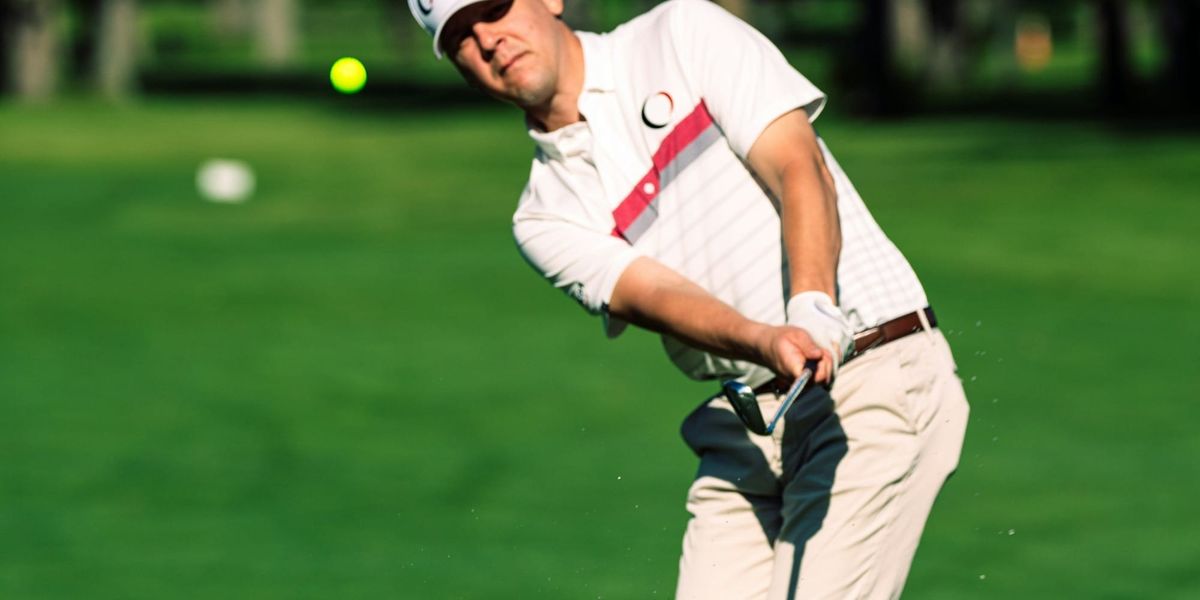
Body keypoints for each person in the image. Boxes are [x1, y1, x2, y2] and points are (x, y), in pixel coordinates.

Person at [407, 0, 970, 597]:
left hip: (869, 373)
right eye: (462, 36)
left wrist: (811, 304)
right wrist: (765, 338)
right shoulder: (544, 214)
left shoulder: (680, 32)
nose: (489, 39)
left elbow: (797, 167)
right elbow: (655, 294)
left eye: (494, 8)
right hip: (747, 427)